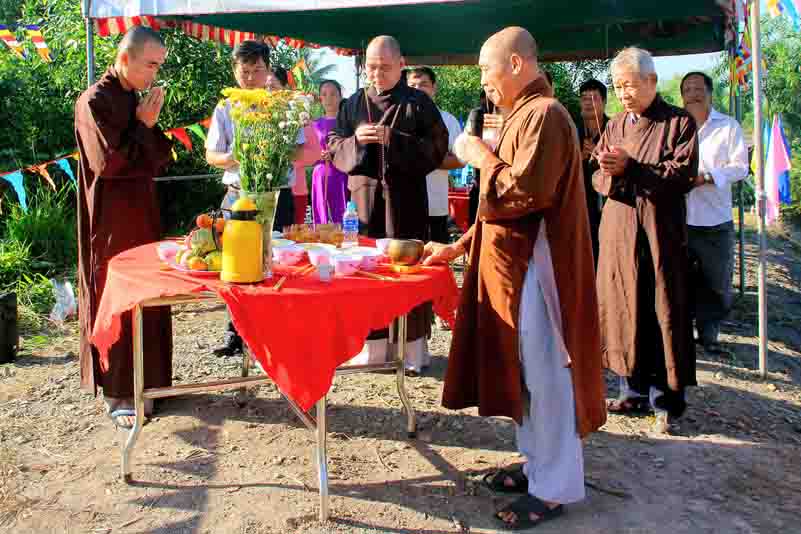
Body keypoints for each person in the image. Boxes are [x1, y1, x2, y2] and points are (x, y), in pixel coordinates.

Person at [424, 27, 606, 529]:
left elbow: (525, 193)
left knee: (548, 376)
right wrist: (460, 246)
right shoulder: (518, 115)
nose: (483, 80)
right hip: (512, 268)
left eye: (487, 68)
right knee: (525, 372)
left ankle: (554, 487)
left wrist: (479, 155)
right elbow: (494, 207)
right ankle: (535, 465)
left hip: (541, 270)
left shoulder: (546, 114)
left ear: (517, 65)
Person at [592, 47, 699, 434]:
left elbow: (682, 175)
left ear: (651, 81)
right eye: (618, 86)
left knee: (660, 308)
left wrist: (632, 169)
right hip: (619, 229)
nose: (623, 94)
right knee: (623, 305)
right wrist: (609, 171)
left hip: (659, 232)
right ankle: (630, 390)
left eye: (630, 85)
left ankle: (665, 399)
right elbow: (597, 175)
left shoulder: (679, 122)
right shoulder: (616, 124)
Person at [327, 35, 449, 372]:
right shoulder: (353, 103)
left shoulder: (418, 103)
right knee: (367, 272)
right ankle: (371, 349)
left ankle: (412, 352)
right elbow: (333, 145)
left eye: (384, 67)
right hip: (363, 202)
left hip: (405, 202)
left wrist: (394, 139)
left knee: (406, 273)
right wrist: (356, 141)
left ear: (401, 65)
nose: (376, 74)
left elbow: (438, 147)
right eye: (371, 67)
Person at [75, 27, 173, 430]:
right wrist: (143, 126)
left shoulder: (133, 98)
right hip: (112, 221)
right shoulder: (94, 101)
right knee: (117, 296)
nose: (154, 73)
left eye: (158, 66)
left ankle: (150, 384)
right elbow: (110, 163)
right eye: (150, 64)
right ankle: (118, 392)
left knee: (147, 295)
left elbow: (157, 155)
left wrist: (147, 125)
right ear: (125, 57)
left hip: (142, 213)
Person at [206, 40, 270, 357]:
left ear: (268, 71)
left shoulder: (281, 105)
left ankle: (270, 337)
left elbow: (304, 151)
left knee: (271, 265)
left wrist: (275, 153)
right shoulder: (225, 108)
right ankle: (235, 335)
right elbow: (211, 155)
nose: (250, 78)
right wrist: (235, 157)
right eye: (245, 71)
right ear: (235, 71)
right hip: (236, 196)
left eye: (257, 70)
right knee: (234, 267)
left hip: (271, 196)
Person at [680, 71, 748, 352]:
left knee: (715, 281)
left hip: (715, 220)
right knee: (682, 281)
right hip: (681, 218)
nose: (693, 95)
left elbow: (741, 167)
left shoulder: (728, 126)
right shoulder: (676, 127)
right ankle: (682, 337)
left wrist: (708, 177)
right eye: (687, 90)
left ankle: (709, 337)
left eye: (698, 89)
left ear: (710, 93)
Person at [406, 66, 464, 244]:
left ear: (434, 88)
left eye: (423, 84)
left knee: (434, 256)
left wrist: (427, 159)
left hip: (435, 207)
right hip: (402, 206)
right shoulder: (397, 118)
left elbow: (461, 160)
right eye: (412, 85)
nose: (418, 89)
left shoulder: (448, 120)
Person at [576, 79, 610, 266]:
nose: (588, 103)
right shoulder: (571, 129)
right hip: (579, 206)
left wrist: (602, 157)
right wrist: (579, 157)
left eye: (594, 98)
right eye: (584, 98)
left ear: (604, 102)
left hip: (607, 206)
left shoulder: (614, 129)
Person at [311, 80, 349, 224]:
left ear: (340, 97)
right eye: (324, 94)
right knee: (321, 216)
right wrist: (317, 155)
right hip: (320, 174)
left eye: (333, 94)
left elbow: (353, 148)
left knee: (343, 214)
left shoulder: (348, 123)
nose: (329, 98)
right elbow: (307, 152)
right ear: (320, 98)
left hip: (342, 174)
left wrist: (335, 154)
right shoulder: (314, 125)